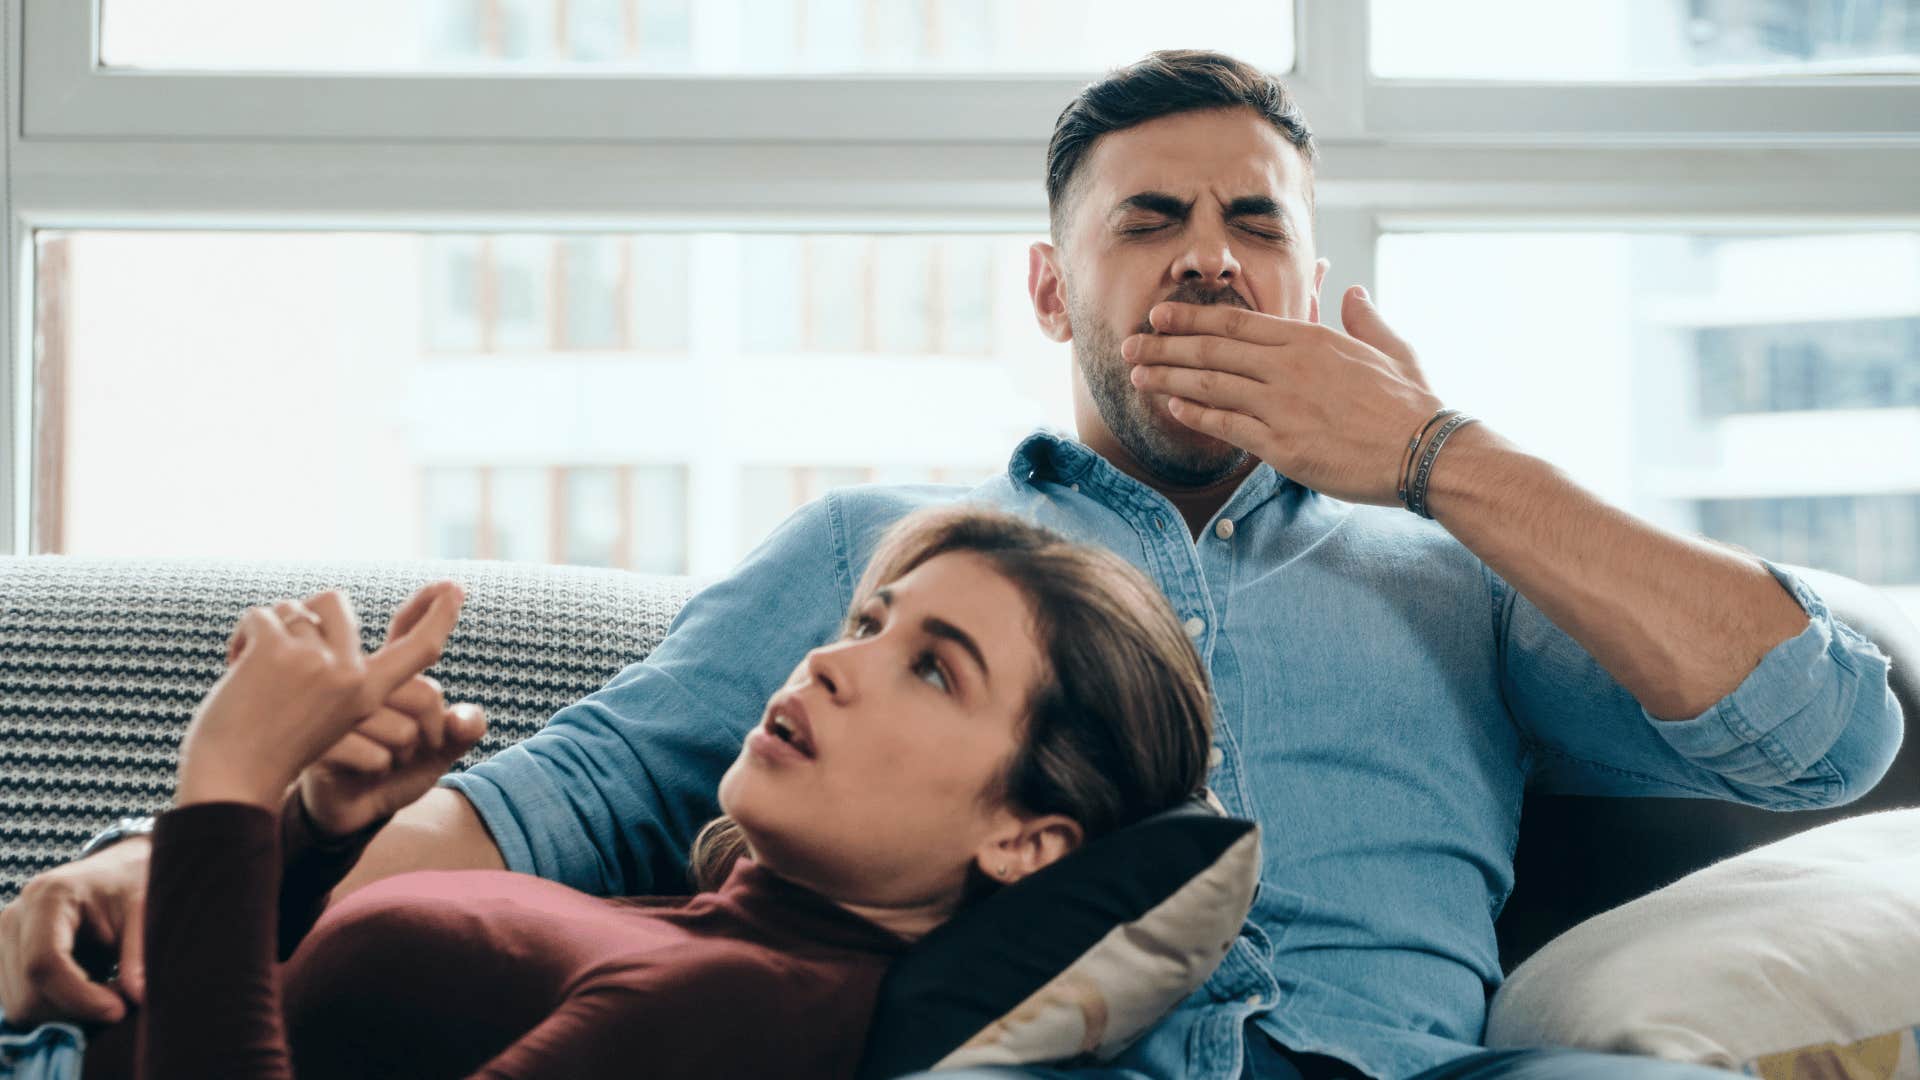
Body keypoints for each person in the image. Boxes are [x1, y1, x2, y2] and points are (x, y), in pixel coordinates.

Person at [1, 49, 1901, 1080]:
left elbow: (1819, 739)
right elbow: (566, 799)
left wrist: (1438, 460)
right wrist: (168, 884)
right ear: (1049, 282)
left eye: (1256, 224)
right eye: (1148, 222)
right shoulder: (875, 554)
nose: (1209, 259)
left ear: (1319, 280)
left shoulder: (1458, 570)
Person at [83, 506, 1214, 1078]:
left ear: (1027, 841)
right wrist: (319, 828)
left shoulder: (746, 1009)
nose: (831, 661)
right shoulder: (723, 934)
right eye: (868, 621)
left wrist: (226, 789)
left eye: (931, 666)